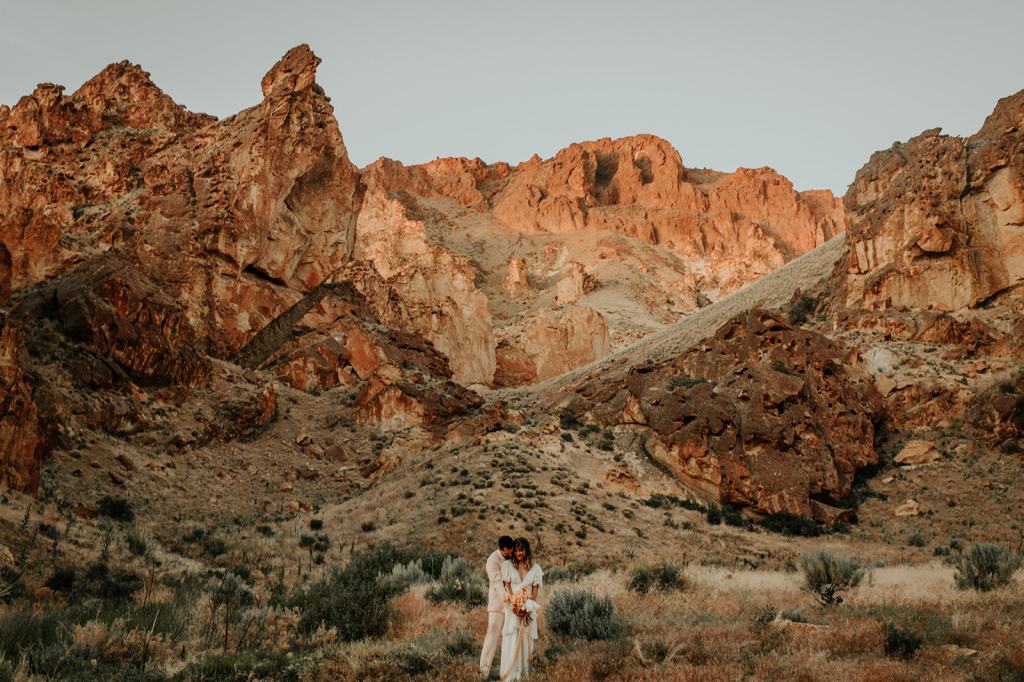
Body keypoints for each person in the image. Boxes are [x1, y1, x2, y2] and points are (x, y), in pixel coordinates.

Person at [499, 537, 543, 681]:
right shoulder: (508, 566)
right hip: (513, 609)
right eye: (516, 550)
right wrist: (515, 605)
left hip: (528, 608)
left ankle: (523, 675)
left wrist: (529, 607)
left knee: (525, 639)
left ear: (526, 550)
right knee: (512, 638)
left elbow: (535, 590)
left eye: (522, 550)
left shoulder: (535, 568)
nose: (519, 553)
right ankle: (510, 674)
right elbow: (507, 586)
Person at [479, 535, 515, 680]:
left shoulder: (512, 556)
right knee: (492, 636)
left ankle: (509, 672)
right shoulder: (492, 561)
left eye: (511, 553)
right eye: (507, 554)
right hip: (497, 605)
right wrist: (508, 601)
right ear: (500, 549)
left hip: (513, 603)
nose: (510, 556)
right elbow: (497, 583)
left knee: (511, 637)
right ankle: (483, 672)